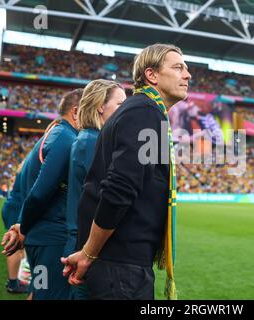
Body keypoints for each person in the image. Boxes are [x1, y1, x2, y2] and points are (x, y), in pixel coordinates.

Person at [61, 43, 191, 300]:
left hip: (123, 263)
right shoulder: (144, 112)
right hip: (120, 266)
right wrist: (89, 253)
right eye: (178, 67)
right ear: (151, 75)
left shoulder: (147, 112)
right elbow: (120, 188)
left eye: (186, 69)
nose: (187, 74)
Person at [1, 89, 83, 300]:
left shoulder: (55, 133)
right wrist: (22, 227)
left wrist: (23, 225)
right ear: (76, 112)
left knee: (39, 293)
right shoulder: (65, 138)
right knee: (50, 295)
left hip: (42, 238)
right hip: (51, 242)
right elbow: (38, 194)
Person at [64, 80, 126, 299]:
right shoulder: (92, 140)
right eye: (120, 104)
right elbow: (105, 197)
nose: (125, 110)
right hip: (84, 248)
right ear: (100, 106)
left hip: (84, 246)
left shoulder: (90, 138)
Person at [1, 160, 29, 294]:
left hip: (14, 206)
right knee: (16, 246)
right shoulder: (30, 165)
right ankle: (13, 283)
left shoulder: (25, 165)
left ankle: (17, 279)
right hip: (17, 207)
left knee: (21, 247)